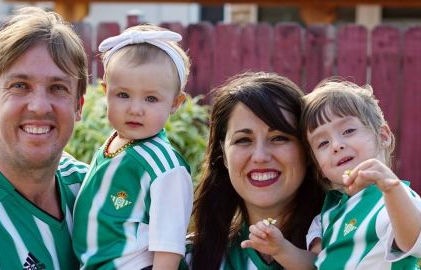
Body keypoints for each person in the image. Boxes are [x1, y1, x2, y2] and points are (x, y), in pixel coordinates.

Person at [0, 6, 89, 270]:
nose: (40, 106)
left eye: (58, 88)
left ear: (78, 106)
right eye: (20, 86)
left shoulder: (91, 190)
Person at [72, 24, 193, 270]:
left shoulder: (164, 166)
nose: (135, 109)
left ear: (175, 103)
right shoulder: (114, 143)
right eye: (123, 95)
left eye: (151, 99)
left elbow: (169, 246)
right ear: (106, 91)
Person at [181, 72, 325, 270]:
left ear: (308, 149)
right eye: (243, 140)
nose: (260, 156)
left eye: (279, 137)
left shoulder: (350, 243)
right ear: (223, 154)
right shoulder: (187, 259)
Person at [299, 79, 421, 269]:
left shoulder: (395, 199)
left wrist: (391, 187)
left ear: (383, 136)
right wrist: (279, 248)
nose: (337, 145)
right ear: (318, 167)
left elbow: (413, 241)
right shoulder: (326, 215)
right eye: (323, 143)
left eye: (348, 130)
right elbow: (314, 265)